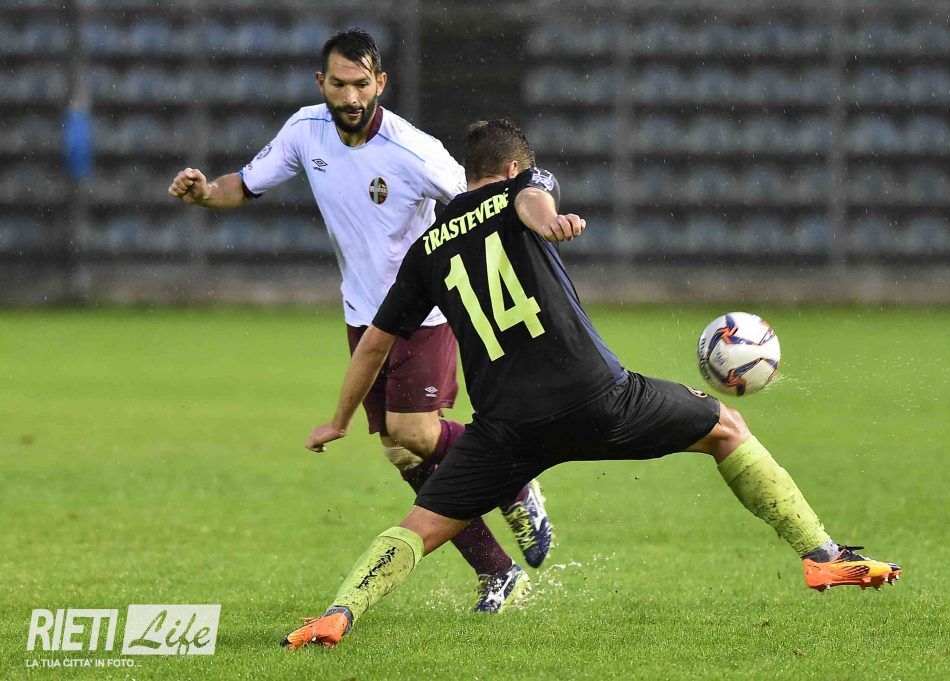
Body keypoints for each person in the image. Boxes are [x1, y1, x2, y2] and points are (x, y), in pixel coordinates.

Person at [280, 118, 903, 650]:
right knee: (726, 429)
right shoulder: (522, 186)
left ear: (468, 173)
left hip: (505, 429)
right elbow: (532, 202)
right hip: (598, 399)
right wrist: (549, 221)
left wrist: (340, 418)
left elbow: (375, 344)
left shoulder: (426, 251)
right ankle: (823, 557)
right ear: (514, 166)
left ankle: (339, 613)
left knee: (419, 527)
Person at [166, 30, 552, 612]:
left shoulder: (415, 152)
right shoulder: (305, 131)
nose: (350, 97)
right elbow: (242, 186)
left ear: (380, 84)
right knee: (402, 451)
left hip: (423, 311)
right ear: (321, 82)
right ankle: (497, 572)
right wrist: (202, 194)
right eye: (339, 84)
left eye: (361, 84)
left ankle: (516, 480)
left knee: (415, 431)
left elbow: (483, 205)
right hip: (362, 312)